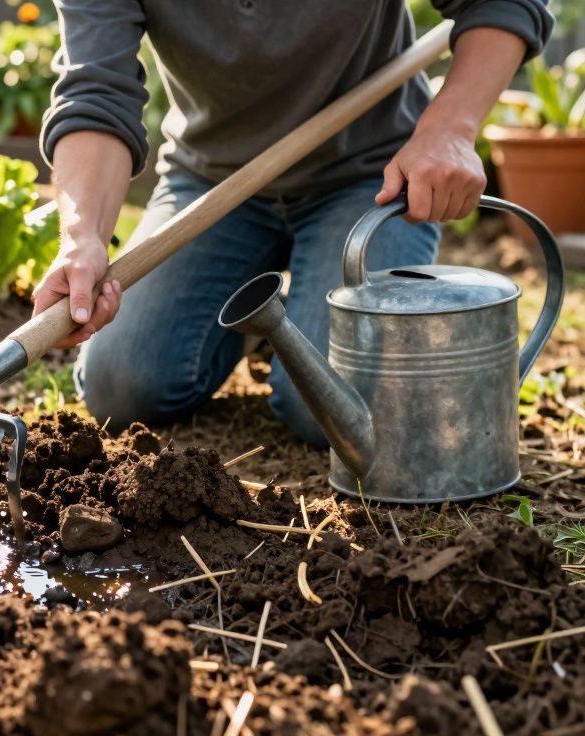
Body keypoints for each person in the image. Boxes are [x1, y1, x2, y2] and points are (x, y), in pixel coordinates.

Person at [32, 0, 554, 446]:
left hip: (370, 176)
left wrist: (450, 128)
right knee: (121, 389)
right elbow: (96, 93)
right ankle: (257, 321)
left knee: (329, 413)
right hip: (214, 182)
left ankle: (288, 317)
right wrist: (83, 237)